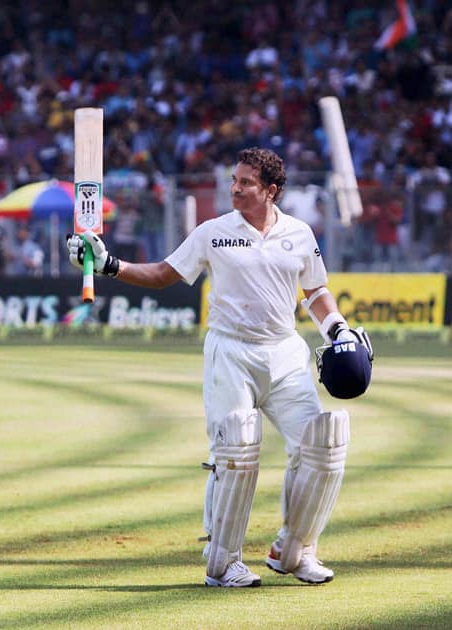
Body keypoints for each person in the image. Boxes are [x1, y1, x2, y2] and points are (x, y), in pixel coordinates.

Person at [66, 148, 373, 588]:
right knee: (237, 450)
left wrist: (338, 330)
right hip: (230, 352)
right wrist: (111, 264)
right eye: (234, 180)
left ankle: (295, 550)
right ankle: (223, 561)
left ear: (271, 190)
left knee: (324, 444)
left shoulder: (300, 234)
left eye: (246, 183)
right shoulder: (213, 232)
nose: (234, 188)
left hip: (285, 353)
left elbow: (315, 291)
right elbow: (161, 274)